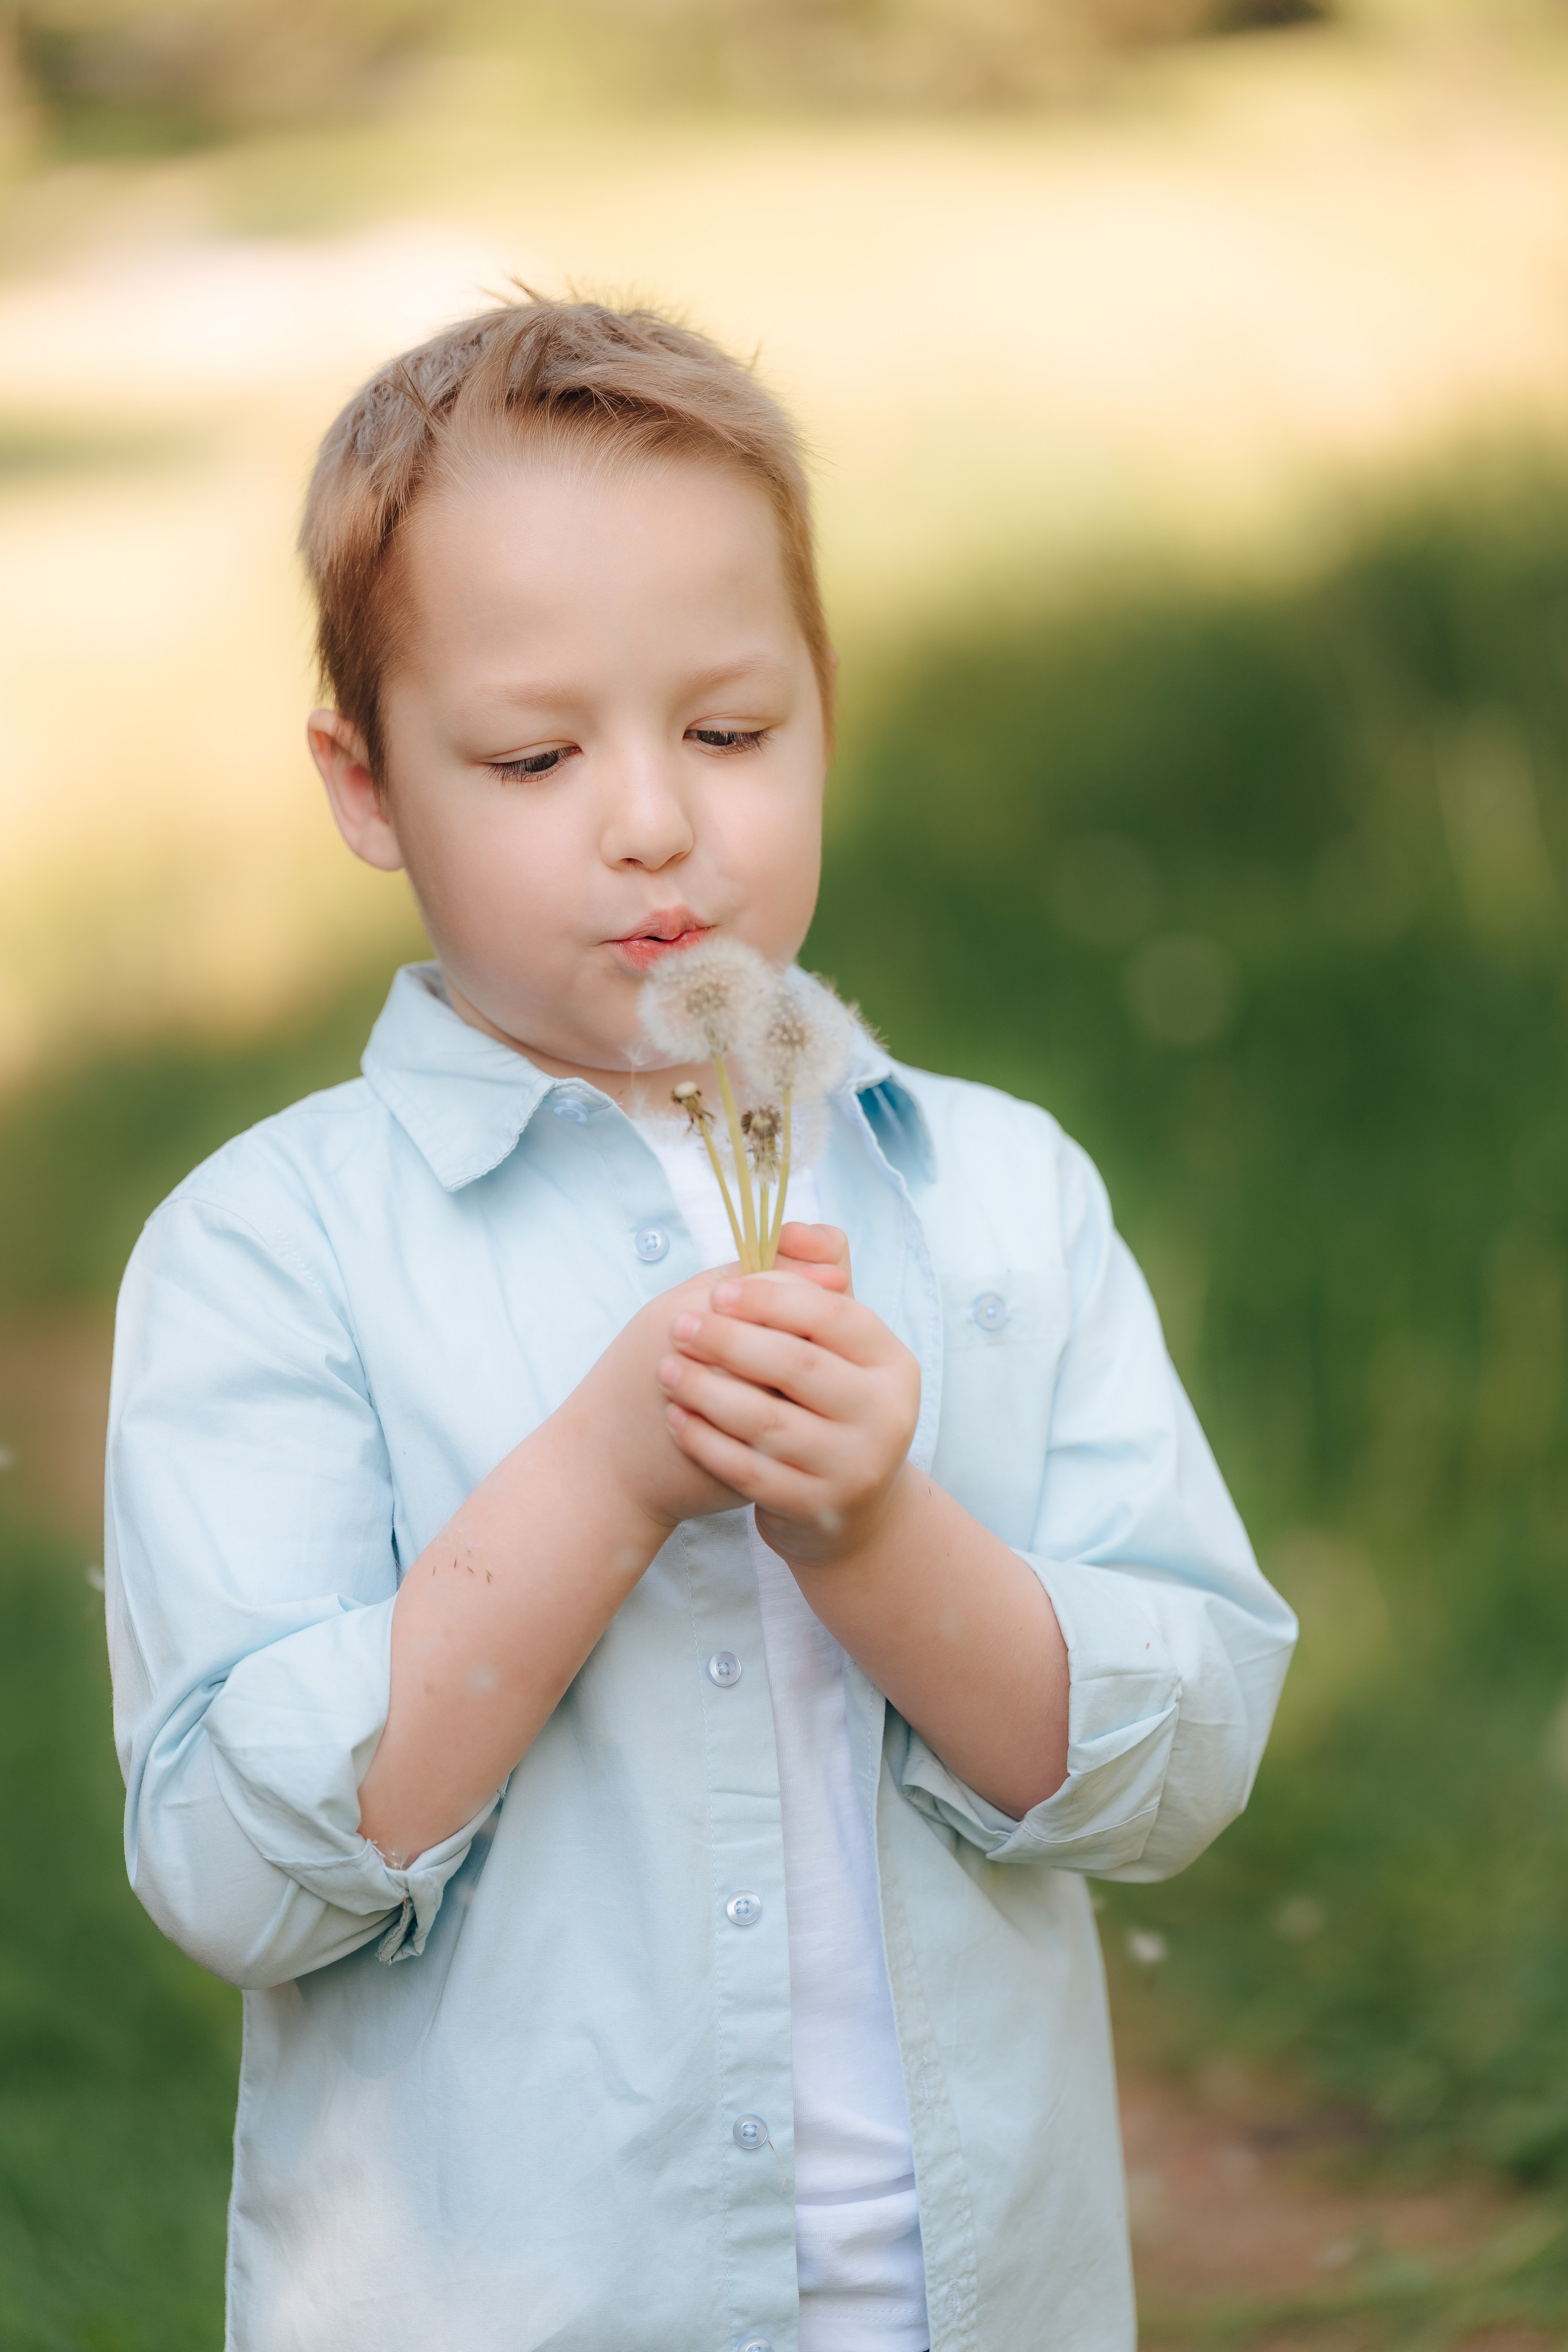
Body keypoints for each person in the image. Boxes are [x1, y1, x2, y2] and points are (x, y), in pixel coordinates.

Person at [105, 296, 1297, 2352]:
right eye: (535, 755)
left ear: (826, 710)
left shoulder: (1000, 1196)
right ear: (367, 782)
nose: (651, 819)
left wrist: (874, 1537)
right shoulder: (268, 1250)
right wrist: (606, 1473)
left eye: (730, 732)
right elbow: (239, 1870)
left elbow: (1169, 1763)